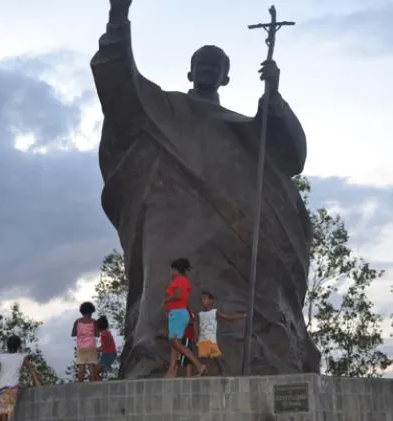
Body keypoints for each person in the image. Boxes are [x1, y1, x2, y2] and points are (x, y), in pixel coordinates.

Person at [91, 0, 319, 379]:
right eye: (202, 63)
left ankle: (239, 358)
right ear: (190, 71)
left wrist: (273, 97)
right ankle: (156, 364)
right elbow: (121, 89)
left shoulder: (241, 127)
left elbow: (287, 157)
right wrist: (118, 16)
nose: (208, 69)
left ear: (226, 78)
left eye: (217, 66)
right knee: (161, 301)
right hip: (173, 223)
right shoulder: (167, 110)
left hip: (234, 235)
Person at [162, 258, 206, 377]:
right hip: (177, 313)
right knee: (174, 345)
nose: (170, 273)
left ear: (176, 270)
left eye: (171, 270)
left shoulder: (179, 280)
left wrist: (166, 300)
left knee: (175, 342)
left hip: (177, 313)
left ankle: (198, 365)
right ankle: (172, 371)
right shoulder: (183, 280)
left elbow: (178, 295)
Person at [0, 335, 40, 421]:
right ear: (18, 346)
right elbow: (31, 369)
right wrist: (37, 383)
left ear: (7, 346)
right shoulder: (21, 357)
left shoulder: (0, 357)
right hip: (11, 389)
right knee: (5, 415)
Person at [197, 291, 246, 375]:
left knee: (215, 356)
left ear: (211, 301)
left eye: (205, 298)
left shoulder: (214, 312)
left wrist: (240, 316)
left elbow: (228, 318)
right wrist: (196, 337)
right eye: (201, 299)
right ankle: (205, 370)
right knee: (204, 356)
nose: (202, 301)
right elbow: (198, 326)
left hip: (210, 339)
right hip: (202, 339)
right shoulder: (200, 314)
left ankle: (222, 370)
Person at [71, 301, 99, 382]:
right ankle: (93, 385)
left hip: (81, 347)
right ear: (91, 311)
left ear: (82, 311)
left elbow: (73, 334)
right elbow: (97, 334)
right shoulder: (94, 321)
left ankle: (80, 386)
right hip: (91, 346)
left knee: (81, 367)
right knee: (91, 366)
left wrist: (80, 332)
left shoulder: (77, 321)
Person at [97, 315, 117, 380]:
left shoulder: (104, 334)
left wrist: (98, 349)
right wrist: (99, 349)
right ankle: (99, 382)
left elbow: (107, 343)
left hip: (108, 354)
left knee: (95, 372)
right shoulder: (106, 333)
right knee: (96, 372)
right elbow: (106, 344)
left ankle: (99, 384)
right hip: (109, 354)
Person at [179, 308, 198, 377]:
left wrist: (195, 335)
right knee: (185, 357)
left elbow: (194, 322)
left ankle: (188, 375)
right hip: (183, 337)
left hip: (187, 337)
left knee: (186, 357)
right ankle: (188, 375)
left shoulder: (187, 312)